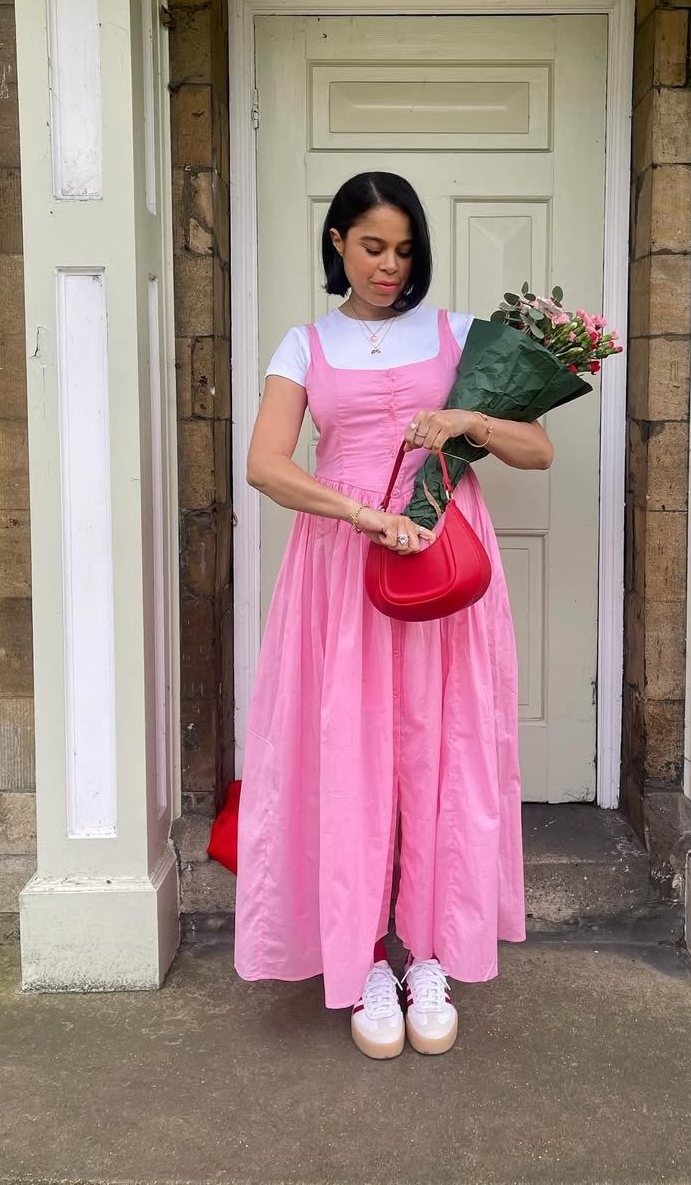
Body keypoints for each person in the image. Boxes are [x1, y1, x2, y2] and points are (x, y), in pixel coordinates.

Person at [234, 170, 553, 1059]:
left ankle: (434, 954)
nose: (389, 265)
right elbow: (266, 464)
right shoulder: (303, 346)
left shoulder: (456, 335)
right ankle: (366, 954)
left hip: (441, 559)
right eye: (373, 246)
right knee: (350, 754)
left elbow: (538, 447)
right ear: (337, 241)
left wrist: (466, 420)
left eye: (405, 249)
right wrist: (360, 512)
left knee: (440, 749)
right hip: (343, 566)